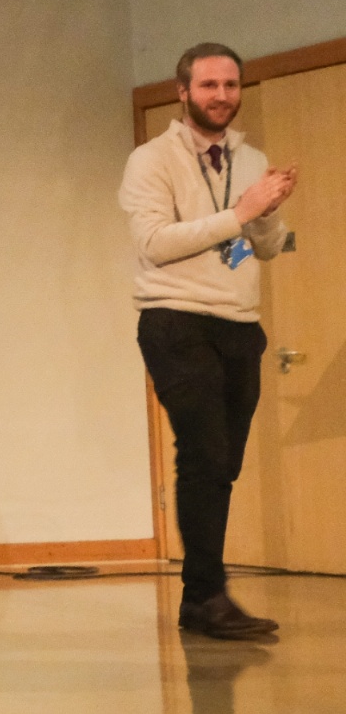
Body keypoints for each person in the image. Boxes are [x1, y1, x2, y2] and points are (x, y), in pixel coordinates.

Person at [119, 42, 296, 640]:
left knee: (223, 463)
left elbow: (265, 248)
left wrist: (267, 211)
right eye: (209, 85)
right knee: (204, 453)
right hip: (175, 320)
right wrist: (240, 212)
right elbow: (155, 243)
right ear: (183, 92)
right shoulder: (151, 159)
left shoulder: (253, 159)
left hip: (240, 325)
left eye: (230, 85)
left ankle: (203, 599)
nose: (222, 96)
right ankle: (205, 595)